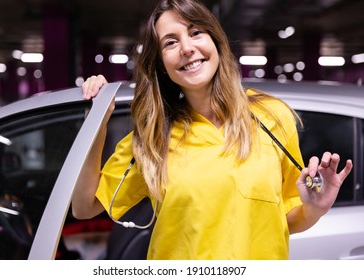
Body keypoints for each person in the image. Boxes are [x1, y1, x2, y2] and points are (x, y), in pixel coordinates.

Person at [72, 0, 353, 259]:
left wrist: (315, 209)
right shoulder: (154, 136)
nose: (187, 48)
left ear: (215, 41)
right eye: (171, 42)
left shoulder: (271, 116)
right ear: (160, 64)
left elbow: (285, 219)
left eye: (196, 32)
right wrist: (97, 122)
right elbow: (84, 208)